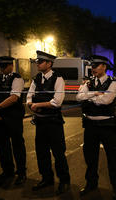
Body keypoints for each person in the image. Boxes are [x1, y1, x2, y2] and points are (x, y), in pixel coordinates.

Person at [77, 55, 116, 199]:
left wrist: (89, 97)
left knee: (113, 158)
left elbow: (106, 100)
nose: (93, 69)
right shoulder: (89, 83)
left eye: (96, 66)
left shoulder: (112, 83)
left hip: (107, 126)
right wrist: (95, 94)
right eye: (92, 66)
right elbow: (78, 97)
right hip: (90, 125)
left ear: (104, 67)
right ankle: (91, 184)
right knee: (90, 157)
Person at [27, 51, 70, 195]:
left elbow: (57, 102)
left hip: (53, 122)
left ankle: (64, 181)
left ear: (49, 64)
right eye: (37, 62)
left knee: (58, 153)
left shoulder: (58, 79)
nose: (38, 64)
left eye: (40, 62)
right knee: (42, 153)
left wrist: (38, 105)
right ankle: (47, 178)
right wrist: (30, 103)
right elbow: (29, 96)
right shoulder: (36, 78)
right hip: (40, 122)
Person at [0, 56, 26, 186]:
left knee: (17, 146)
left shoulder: (17, 79)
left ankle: (21, 173)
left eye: (4, 66)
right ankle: (7, 171)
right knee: (2, 146)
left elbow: (14, 98)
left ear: (11, 65)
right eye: (1, 67)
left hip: (13, 118)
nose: (2, 69)